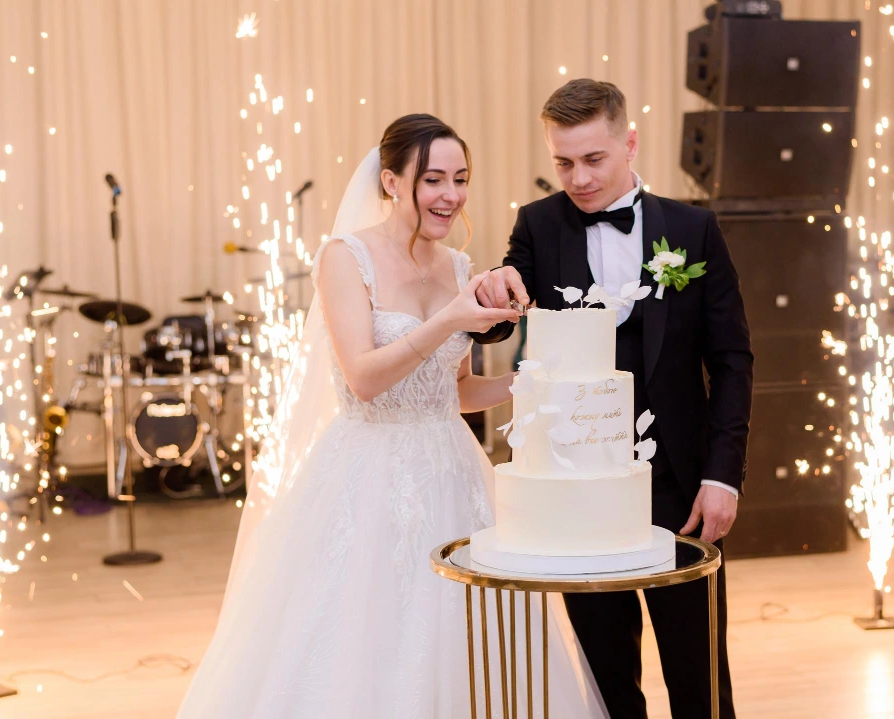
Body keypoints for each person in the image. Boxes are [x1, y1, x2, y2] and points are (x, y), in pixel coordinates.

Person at [177, 114, 609, 718]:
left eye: (460, 179)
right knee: (362, 636)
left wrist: (533, 382)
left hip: (453, 468)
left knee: (476, 639)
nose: (450, 196)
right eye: (432, 179)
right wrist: (449, 322)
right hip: (368, 473)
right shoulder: (344, 258)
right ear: (389, 181)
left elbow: (453, 392)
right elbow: (365, 378)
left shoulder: (460, 268)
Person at [471, 79, 753, 719]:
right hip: (579, 489)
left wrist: (722, 477)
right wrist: (491, 289)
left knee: (700, 673)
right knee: (605, 678)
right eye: (563, 162)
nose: (578, 177)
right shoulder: (538, 227)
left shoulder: (695, 228)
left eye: (593, 159)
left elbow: (732, 361)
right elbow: (500, 313)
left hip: (681, 486)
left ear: (628, 142)